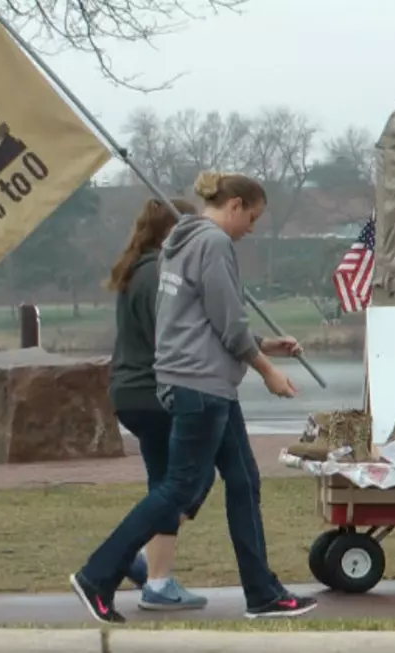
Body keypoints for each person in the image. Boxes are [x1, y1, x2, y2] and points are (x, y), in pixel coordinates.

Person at [70, 172, 317, 624]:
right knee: (180, 488)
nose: (252, 229)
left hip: (205, 382)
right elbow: (227, 320)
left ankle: (261, 593)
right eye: (254, 218)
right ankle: (97, 574)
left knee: (243, 481)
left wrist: (261, 344)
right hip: (201, 386)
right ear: (236, 205)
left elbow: (200, 318)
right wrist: (267, 371)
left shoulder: (177, 244)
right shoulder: (214, 244)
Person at [105, 197, 212, 611]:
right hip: (155, 393)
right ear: (174, 231)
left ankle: (139, 564)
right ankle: (155, 580)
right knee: (186, 484)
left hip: (133, 392)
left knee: (166, 484)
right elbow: (171, 336)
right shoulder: (157, 276)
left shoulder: (140, 269)